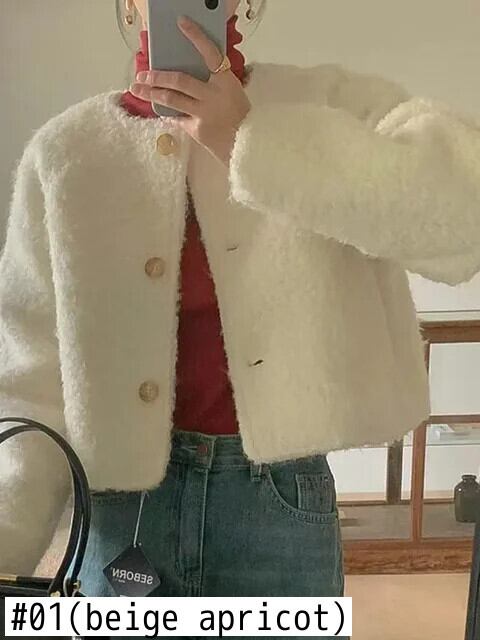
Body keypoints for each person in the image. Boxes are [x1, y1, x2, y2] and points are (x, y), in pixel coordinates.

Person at [1, 0, 479, 625]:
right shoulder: (64, 152)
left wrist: (253, 140)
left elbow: (463, 218)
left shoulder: (335, 104)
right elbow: (30, 376)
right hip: (117, 510)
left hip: (278, 502)